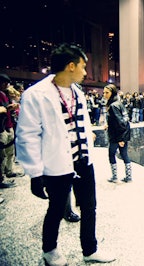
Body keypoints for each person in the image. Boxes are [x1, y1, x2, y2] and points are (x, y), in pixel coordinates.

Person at [15, 43, 115, 265]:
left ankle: (90, 250)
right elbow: (27, 136)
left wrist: (88, 139)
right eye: (82, 66)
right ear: (70, 66)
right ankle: (49, 250)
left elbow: (83, 124)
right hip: (56, 165)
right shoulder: (36, 95)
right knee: (56, 208)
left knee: (89, 207)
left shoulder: (77, 93)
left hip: (83, 161)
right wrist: (35, 173)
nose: (85, 72)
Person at [103, 83, 132, 183]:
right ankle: (128, 177)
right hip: (123, 134)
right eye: (104, 92)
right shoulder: (119, 103)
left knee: (111, 154)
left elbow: (120, 123)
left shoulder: (113, 106)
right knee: (124, 155)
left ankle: (115, 177)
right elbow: (123, 121)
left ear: (112, 93)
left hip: (116, 136)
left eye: (107, 92)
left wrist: (120, 139)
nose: (104, 95)